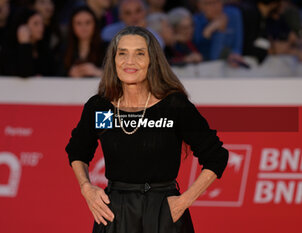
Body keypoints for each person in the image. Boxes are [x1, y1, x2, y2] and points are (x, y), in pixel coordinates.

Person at [65, 26, 229, 233]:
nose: (129, 61)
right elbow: (78, 151)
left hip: (164, 210)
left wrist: (183, 202)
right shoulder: (102, 108)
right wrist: (86, 188)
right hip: (115, 211)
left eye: (139, 54)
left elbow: (216, 156)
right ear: (114, 60)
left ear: (153, 60)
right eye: (122, 53)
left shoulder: (173, 106)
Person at [0, 8, 56, 77]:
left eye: (42, 23)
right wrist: (24, 44)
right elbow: (24, 73)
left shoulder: (43, 49)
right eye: (36, 24)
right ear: (23, 26)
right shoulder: (9, 49)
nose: (41, 28)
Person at [193, 0, 243, 65]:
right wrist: (211, 30)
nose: (215, 6)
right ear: (200, 6)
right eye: (209, 3)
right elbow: (213, 57)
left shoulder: (233, 14)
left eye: (218, 1)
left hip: (230, 66)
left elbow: (237, 47)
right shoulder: (195, 22)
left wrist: (235, 54)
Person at [63, 5, 106, 78]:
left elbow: (117, 76)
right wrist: (69, 74)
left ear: (95, 24)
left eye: (88, 22)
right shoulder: (64, 49)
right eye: (79, 23)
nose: (84, 27)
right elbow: (54, 75)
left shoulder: (107, 48)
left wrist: (97, 72)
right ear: (72, 26)